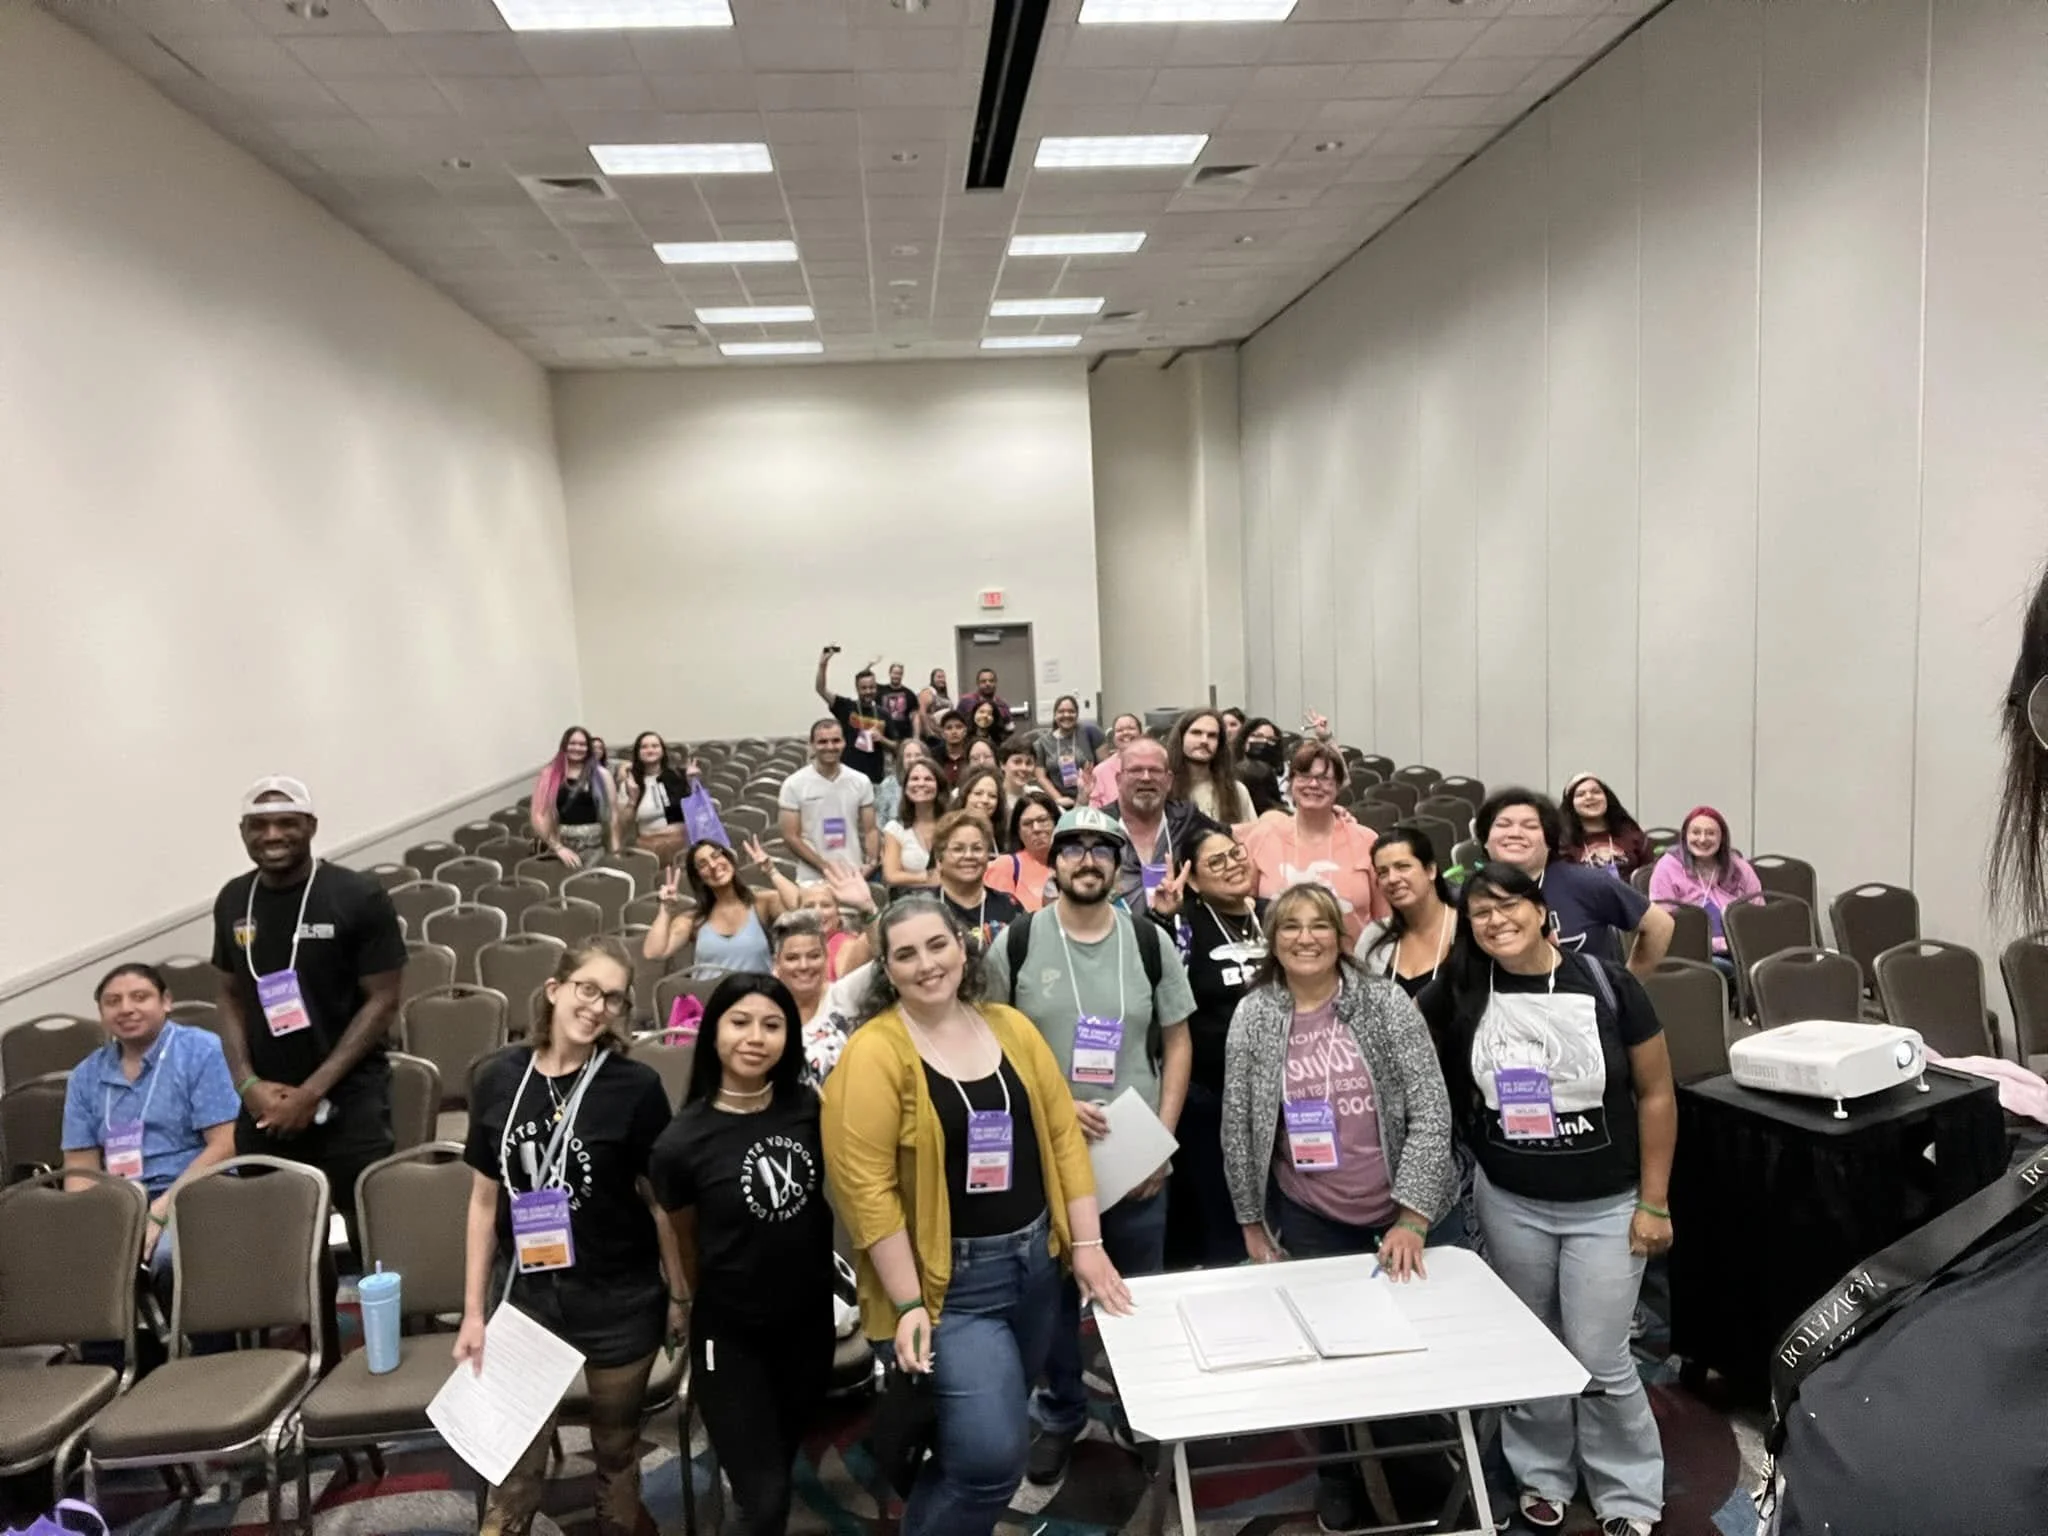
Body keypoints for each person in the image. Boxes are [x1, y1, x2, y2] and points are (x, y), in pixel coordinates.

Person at [821, 897, 1130, 1536]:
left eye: (937, 945)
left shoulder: (1010, 1027)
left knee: (978, 1445)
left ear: (963, 947)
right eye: (905, 954)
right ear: (886, 969)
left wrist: (1087, 1243)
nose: (927, 964)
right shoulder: (874, 1053)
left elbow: (1062, 1137)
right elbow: (866, 1191)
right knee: (993, 1461)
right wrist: (908, 1305)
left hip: (1035, 1268)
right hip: (946, 1289)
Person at [1416, 864, 1674, 1536]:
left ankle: (1627, 1490)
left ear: (1541, 910)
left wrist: (1655, 1202)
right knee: (1530, 1341)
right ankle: (1542, 1473)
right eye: (1480, 913)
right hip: (1511, 1200)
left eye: (1509, 906)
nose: (1496, 921)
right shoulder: (1465, 989)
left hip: (1610, 1206)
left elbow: (1656, 1095)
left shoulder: (1607, 984)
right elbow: (1409, 1043)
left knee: (1600, 1353)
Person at [1221, 881, 1456, 1532]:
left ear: (1340, 934)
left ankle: (1419, 1472)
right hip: (1312, 1213)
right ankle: (1338, 1475)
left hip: (1399, 1213)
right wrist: (1250, 1223)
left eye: (1319, 924)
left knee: (1410, 1351)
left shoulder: (1383, 1004)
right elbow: (1239, 1125)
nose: (1305, 938)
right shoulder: (1255, 1015)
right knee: (1328, 1356)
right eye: (1290, 926)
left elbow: (1432, 1112)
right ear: (1273, 939)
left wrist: (1412, 1214)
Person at [981, 806, 1195, 1486]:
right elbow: (983, 1043)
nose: (1086, 862)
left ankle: (1142, 1407)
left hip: (1134, 1156)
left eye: (1101, 851)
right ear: (1056, 861)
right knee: (1048, 1302)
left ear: (1116, 864)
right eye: (1072, 849)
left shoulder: (1149, 939)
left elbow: (1178, 1040)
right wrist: (1052, 1101)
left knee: (1138, 1294)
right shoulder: (1016, 942)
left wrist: (1162, 1138)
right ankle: (1064, 1409)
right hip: (1042, 1155)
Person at [456, 936, 681, 1536]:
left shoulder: (634, 1087)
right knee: (513, 1466)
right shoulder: (499, 1078)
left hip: (619, 1295)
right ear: (554, 990)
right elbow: (483, 1202)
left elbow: (661, 1204)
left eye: (613, 997)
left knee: (615, 1448)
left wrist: (680, 1295)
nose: (597, 1005)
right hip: (529, 1298)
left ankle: (619, 1519)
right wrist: (473, 1312)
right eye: (587, 988)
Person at [651, 974, 834, 1536]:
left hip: (808, 1326)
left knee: (777, 1464)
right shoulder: (681, 1142)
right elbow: (682, 1239)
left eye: (773, 1024)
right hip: (729, 1337)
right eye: (740, 1021)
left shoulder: (808, 1107)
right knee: (763, 1498)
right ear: (713, 1032)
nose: (756, 1037)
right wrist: (682, 1299)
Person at [211, 776, 405, 1285]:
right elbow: (228, 994)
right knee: (281, 1247)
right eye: (259, 825)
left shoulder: (356, 894)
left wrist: (311, 1092)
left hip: (350, 1099)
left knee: (372, 1238)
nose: (272, 834)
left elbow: (383, 1000)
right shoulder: (233, 900)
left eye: (286, 823)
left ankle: (381, 1347)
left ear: (311, 827)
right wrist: (247, 1084)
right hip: (264, 1105)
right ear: (243, 832)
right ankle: (306, 1347)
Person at [62, 963, 241, 1301]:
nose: (126, 1008)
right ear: (101, 1014)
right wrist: (92, 1224)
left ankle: (205, 1350)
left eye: (139, 997)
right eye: (113, 1002)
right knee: (79, 1263)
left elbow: (225, 1144)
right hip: (121, 1202)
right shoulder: (84, 1077)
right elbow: (80, 1171)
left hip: (197, 1189)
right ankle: (111, 1355)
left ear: (166, 1002)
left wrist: (160, 1210)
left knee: (169, 1257)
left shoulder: (200, 1050)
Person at [1142, 829, 1268, 1268]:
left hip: (1281, 1098)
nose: (1232, 864)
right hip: (1209, 1100)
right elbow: (1158, 987)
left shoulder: (1275, 914)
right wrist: (1163, 918)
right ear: (1192, 880)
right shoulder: (1186, 924)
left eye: (1235, 854)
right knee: (1222, 1223)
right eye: (1215, 862)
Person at [1476, 788, 1674, 975]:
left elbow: (1660, 925)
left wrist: (1627, 986)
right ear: (1485, 839)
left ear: (1549, 841)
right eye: (1503, 825)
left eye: (1530, 826)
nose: (1515, 833)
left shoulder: (1587, 883)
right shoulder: (1469, 896)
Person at [1239, 741, 1389, 946]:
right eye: (1304, 776)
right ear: (1291, 782)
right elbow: (1244, 908)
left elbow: (1384, 920)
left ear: (1338, 786)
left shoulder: (1366, 840)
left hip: (1353, 967)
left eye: (1324, 778)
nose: (1313, 785)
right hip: (1277, 967)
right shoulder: (1262, 837)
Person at [644, 836, 802, 976]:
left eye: (716, 856)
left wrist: (771, 871)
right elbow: (654, 952)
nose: (713, 865)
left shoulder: (760, 903)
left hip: (757, 1002)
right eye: (703, 864)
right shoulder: (694, 919)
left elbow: (799, 907)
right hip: (711, 1003)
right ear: (699, 878)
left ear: (729, 859)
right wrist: (665, 909)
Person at [1099, 736, 1222, 908]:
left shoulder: (1186, 818)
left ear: (1169, 780)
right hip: (1117, 929)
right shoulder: (1099, 826)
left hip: (1178, 927)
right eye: (1136, 770)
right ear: (1119, 780)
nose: (1146, 777)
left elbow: (1228, 839)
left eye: (1155, 770)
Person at [1646, 806, 1761, 964]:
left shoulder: (1740, 868)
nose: (1702, 839)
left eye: (1710, 833)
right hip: (1690, 952)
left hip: (1739, 950)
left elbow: (1758, 915)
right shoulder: (1667, 867)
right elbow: (1662, 922)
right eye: (1695, 832)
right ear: (1685, 836)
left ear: (1722, 838)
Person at [1354, 826, 1458, 998]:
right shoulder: (1374, 936)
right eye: (1382, 873)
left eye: (1402, 867)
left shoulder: (1468, 929)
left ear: (1430, 871)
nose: (1392, 879)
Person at [778, 717, 879, 878]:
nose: (830, 747)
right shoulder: (793, 784)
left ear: (844, 742)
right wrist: (825, 868)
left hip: (853, 875)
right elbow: (791, 837)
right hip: (811, 878)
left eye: (835, 740)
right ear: (812, 745)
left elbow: (871, 830)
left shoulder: (860, 781)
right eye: (822, 742)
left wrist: (871, 863)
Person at [773, 911, 857, 1085]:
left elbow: (887, 960)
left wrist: (869, 911)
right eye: (792, 958)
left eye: (814, 956)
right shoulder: (764, 1008)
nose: (804, 966)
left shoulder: (845, 994)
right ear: (777, 964)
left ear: (826, 958)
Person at [930, 810, 1024, 952]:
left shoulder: (1010, 906)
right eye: (958, 849)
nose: (969, 856)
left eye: (977, 848)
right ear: (939, 860)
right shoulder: (922, 908)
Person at [531, 726, 615, 868]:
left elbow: (613, 816)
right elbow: (538, 814)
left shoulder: (602, 775)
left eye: (582, 744)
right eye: (573, 743)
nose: (577, 748)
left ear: (588, 748)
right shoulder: (549, 774)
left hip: (596, 848)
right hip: (561, 848)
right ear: (564, 745)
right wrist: (558, 848)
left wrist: (615, 851)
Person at [614, 731, 696, 864]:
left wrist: (693, 783)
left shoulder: (678, 776)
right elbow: (623, 825)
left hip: (682, 845)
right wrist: (632, 799)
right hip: (649, 849)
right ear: (637, 753)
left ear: (663, 751)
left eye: (655, 746)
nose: (650, 750)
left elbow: (696, 813)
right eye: (644, 747)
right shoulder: (631, 783)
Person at [815, 647, 890, 784]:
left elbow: (897, 746)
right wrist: (823, 664)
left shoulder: (883, 714)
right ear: (857, 689)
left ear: (876, 687)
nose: (868, 691)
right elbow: (821, 689)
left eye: (872, 687)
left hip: (874, 780)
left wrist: (882, 739)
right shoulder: (846, 707)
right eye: (864, 688)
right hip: (847, 779)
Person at [1168, 708, 1255, 825]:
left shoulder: (1237, 792)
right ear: (1181, 737)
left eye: (1212, 736)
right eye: (1196, 733)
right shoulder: (1165, 788)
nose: (1204, 740)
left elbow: (1251, 837)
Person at [1559, 774, 1655, 879]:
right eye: (1580, 794)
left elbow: (1650, 875)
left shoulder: (1631, 833)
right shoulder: (1563, 842)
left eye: (1596, 792)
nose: (1589, 797)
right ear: (1570, 804)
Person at [984, 793, 1058, 914]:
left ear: (1055, 822)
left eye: (1043, 820)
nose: (1036, 828)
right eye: (1027, 824)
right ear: (1018, 831)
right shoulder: (1005, 866)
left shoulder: (1070, 863)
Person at [882, 758, 947, 893]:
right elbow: (892, 876)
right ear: (905, 788)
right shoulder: (895, 828)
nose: (921, 783)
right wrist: (927, 877)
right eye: (915, 779)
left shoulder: (953, 824)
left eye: (928, 779)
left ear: (939, 786)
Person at [1033, 696, 1106, 810]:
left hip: (1092, 799)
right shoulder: (1042, 743)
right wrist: (1058, 799)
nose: (1066, 715)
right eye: (1061, 711)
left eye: (1071, 711)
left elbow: (1105, 767)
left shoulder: (1091, 733)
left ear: (1077, 714)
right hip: (1060, 803)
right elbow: (1041, 777)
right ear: (1055, 715)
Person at [1087, 712, 1145, 810]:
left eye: (1131, 728)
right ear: (1114, 738)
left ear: (1141, 734)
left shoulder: (1153, 764)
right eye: (1119, 730)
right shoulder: (1100, 771)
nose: (1125, 733)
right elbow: (1094, 810)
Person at [875, 737, 932, 830]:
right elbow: (879, 822)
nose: (913, 760)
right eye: (908, 756)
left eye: (917, 755)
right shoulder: (888, 785)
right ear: (901, 760)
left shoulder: (933, 784)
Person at [997, 736, 1041, 838]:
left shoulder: (1036, 794)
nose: (1024, 768)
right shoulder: (993, 797)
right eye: (1017, 762)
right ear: (1002, 764)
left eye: (1029, 763)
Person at [951, 764, 1008, 838]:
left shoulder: (1002, 837)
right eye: (978, 793)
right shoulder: (948, 834)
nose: (985, 800)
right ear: (965, 796)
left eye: (992, 796)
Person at [930, 709, 974, 791]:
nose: (954, 732)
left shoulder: (972, 754)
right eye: (949, 728)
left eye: (958, 727)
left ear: (965, 731)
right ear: (942, 733)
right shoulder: (933, 757)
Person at [877, 662, 921, 744]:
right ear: (890, 673)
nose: (896, 676)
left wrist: (917, 738)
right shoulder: (880, 690)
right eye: (894, 673)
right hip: (884, 738)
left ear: (902, 675)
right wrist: (870, 665)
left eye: (899, 673)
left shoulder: (909, 694)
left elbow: (915, 717)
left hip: (903, 738)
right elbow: (864, 678)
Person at [970, 667, 1013, 735]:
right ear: (977, 684)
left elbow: (1010, 729)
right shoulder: (966, 702)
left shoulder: (1003, 705)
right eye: (983, 681)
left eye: (991, 681)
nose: (988, 684)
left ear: (996, 683)